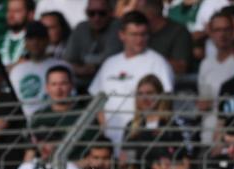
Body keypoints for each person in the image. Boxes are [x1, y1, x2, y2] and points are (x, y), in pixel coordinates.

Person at [89, 11, 174, 147]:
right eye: (134, 34)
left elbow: (165, 103)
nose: (139, 39)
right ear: (122, 35)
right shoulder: (110, 63)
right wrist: (105, 128)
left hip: (141, 141)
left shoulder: (158, 63)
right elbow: (97, 99)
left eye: (143, 34)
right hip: (111, 141)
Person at [9, 21, 71, 119]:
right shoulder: (16, 71)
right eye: (31, 38)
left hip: (58, 120)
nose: (35, 42)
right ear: (25, 42)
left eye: (39, 38)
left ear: (47, 40)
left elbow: (71, 97)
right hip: (27, 123)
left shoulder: (62, 65)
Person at [197, 11, 234, 144]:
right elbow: (203, 98)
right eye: (217, 30)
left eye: (226, 29)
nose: (222, 34)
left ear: (233, 31)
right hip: (207, 136)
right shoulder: (205, 64)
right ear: (210, 33)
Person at [63, 0, 123, 90]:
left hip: (109, 83)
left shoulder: (117, 27)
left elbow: (108, 60)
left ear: (111, 13)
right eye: (91, 13)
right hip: (80, 85)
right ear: (86, 13)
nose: (96, 18)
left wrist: (84, 65)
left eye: (102, 13)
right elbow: (67, 61)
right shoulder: (81, 28)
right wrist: (81, 69)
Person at [137, 0, 193, 75]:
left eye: (139, 15)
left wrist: (146, 60)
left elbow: (181, 67)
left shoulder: (179, 32)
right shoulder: (136, 33)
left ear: (150, 15)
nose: (135, 19)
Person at [0, 0, 34, 69]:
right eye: (9, 10)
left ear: (30, 14)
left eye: (17, 11)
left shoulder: (36, 39)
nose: (10, 15)